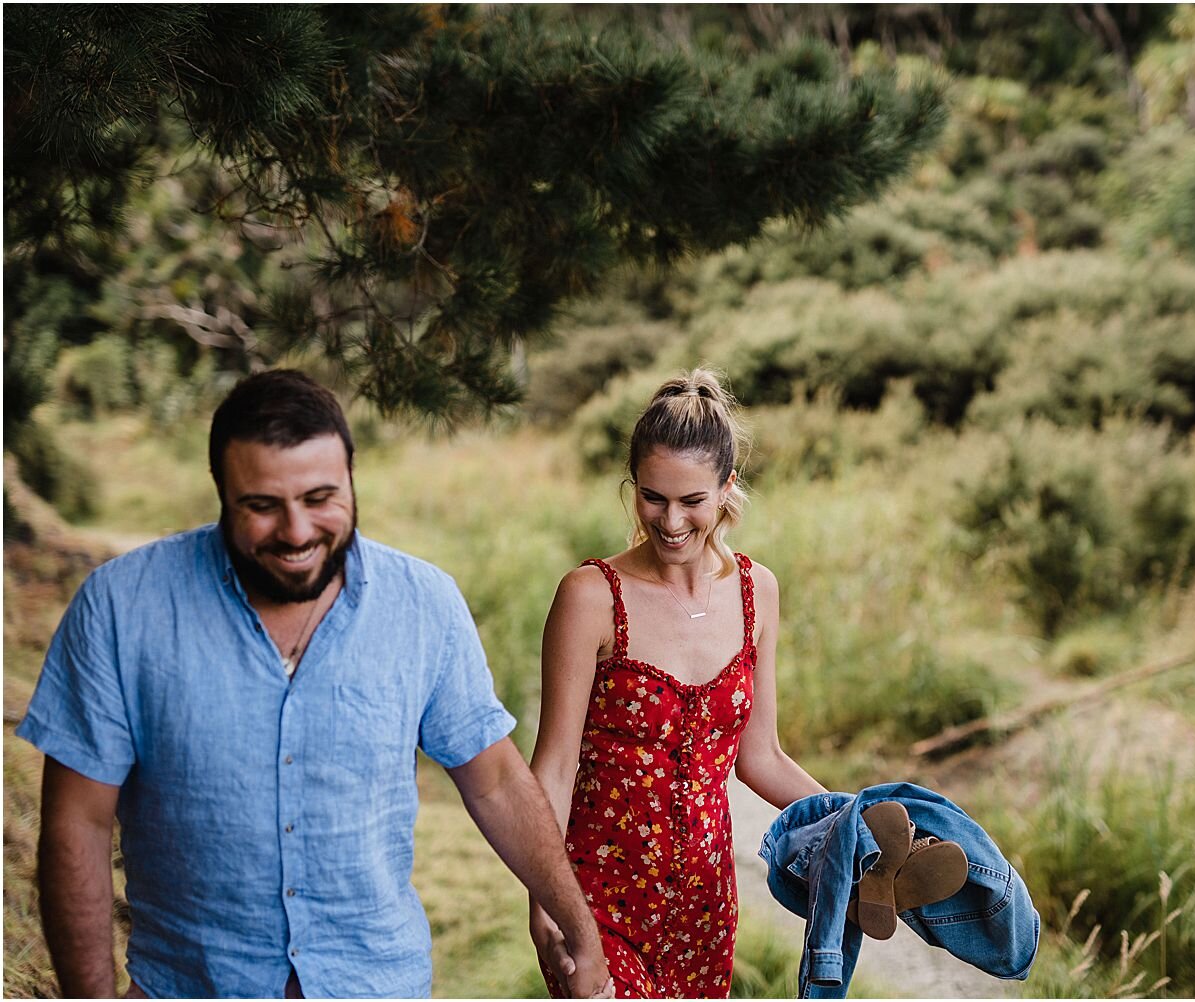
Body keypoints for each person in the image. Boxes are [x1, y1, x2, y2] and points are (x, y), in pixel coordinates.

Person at [17, 369, 611, 999]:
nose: (297, 532)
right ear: (221, 491)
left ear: (353, 476)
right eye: (262, 506)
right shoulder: (119, 608)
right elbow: (76, 826)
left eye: (321, 498)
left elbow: (493, 778)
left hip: (378, 983)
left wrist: (577, 923)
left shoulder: (424, 603)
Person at [528, 369, 827, 999]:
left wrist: (848, 817)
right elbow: (552, 769)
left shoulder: (756, 593)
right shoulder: (591, 597)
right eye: (652, 497)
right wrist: (544, 902)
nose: (670, 521)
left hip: (706, 910)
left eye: (691, 500)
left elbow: (760, 758)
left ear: (726, 488)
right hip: (596, 902)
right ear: (632, 488)